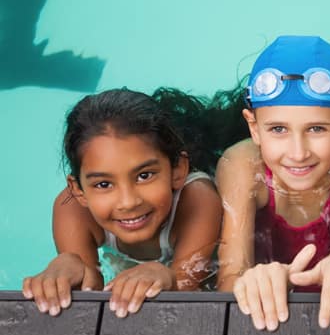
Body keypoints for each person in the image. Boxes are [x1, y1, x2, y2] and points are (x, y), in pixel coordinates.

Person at [216, 35, 330, 333]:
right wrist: (249, 281)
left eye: (316, 129)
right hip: (270, 320)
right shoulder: (241, 165)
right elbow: (229, 277)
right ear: (253, 127)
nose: (298, 153)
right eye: (278, 129)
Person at [22, 88, 224, 317]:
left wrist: (169, 276)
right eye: (103, 184)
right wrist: (72, 266)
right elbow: (91, 298)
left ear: (177, 170)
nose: (128, 202)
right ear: (78, 190)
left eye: (144, 175)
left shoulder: (197, 200)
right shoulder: (72, 209)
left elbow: (188, 288)